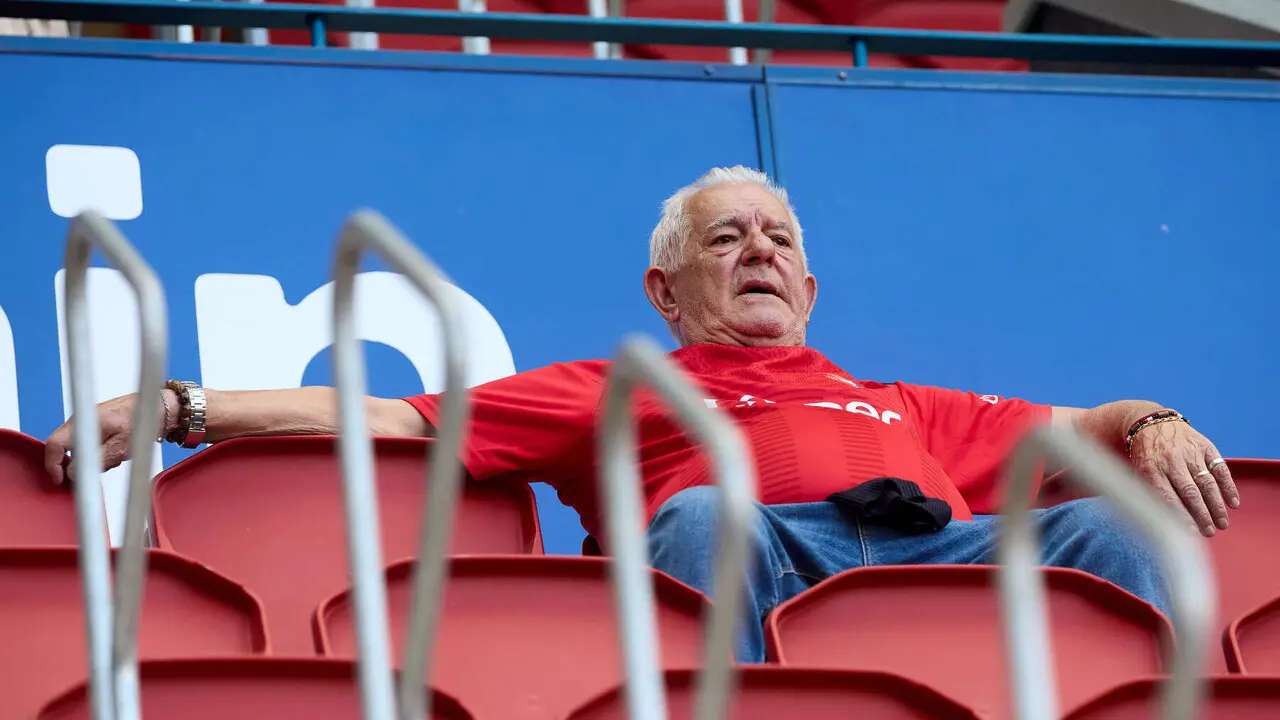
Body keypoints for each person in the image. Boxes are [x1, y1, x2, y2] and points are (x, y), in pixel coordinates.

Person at [45, 166, 1239, 663]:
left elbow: (1089, 424)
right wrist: (186, 405)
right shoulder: (621, 385)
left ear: (810, 287)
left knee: (1112, 530)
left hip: (934, 540)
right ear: (669, 290)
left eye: (777, 240)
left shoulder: (896, 401)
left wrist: (1151, 422)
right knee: (701, 514)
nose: (758, 253)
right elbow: (391, 419)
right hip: (758, 545)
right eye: (727, 238)